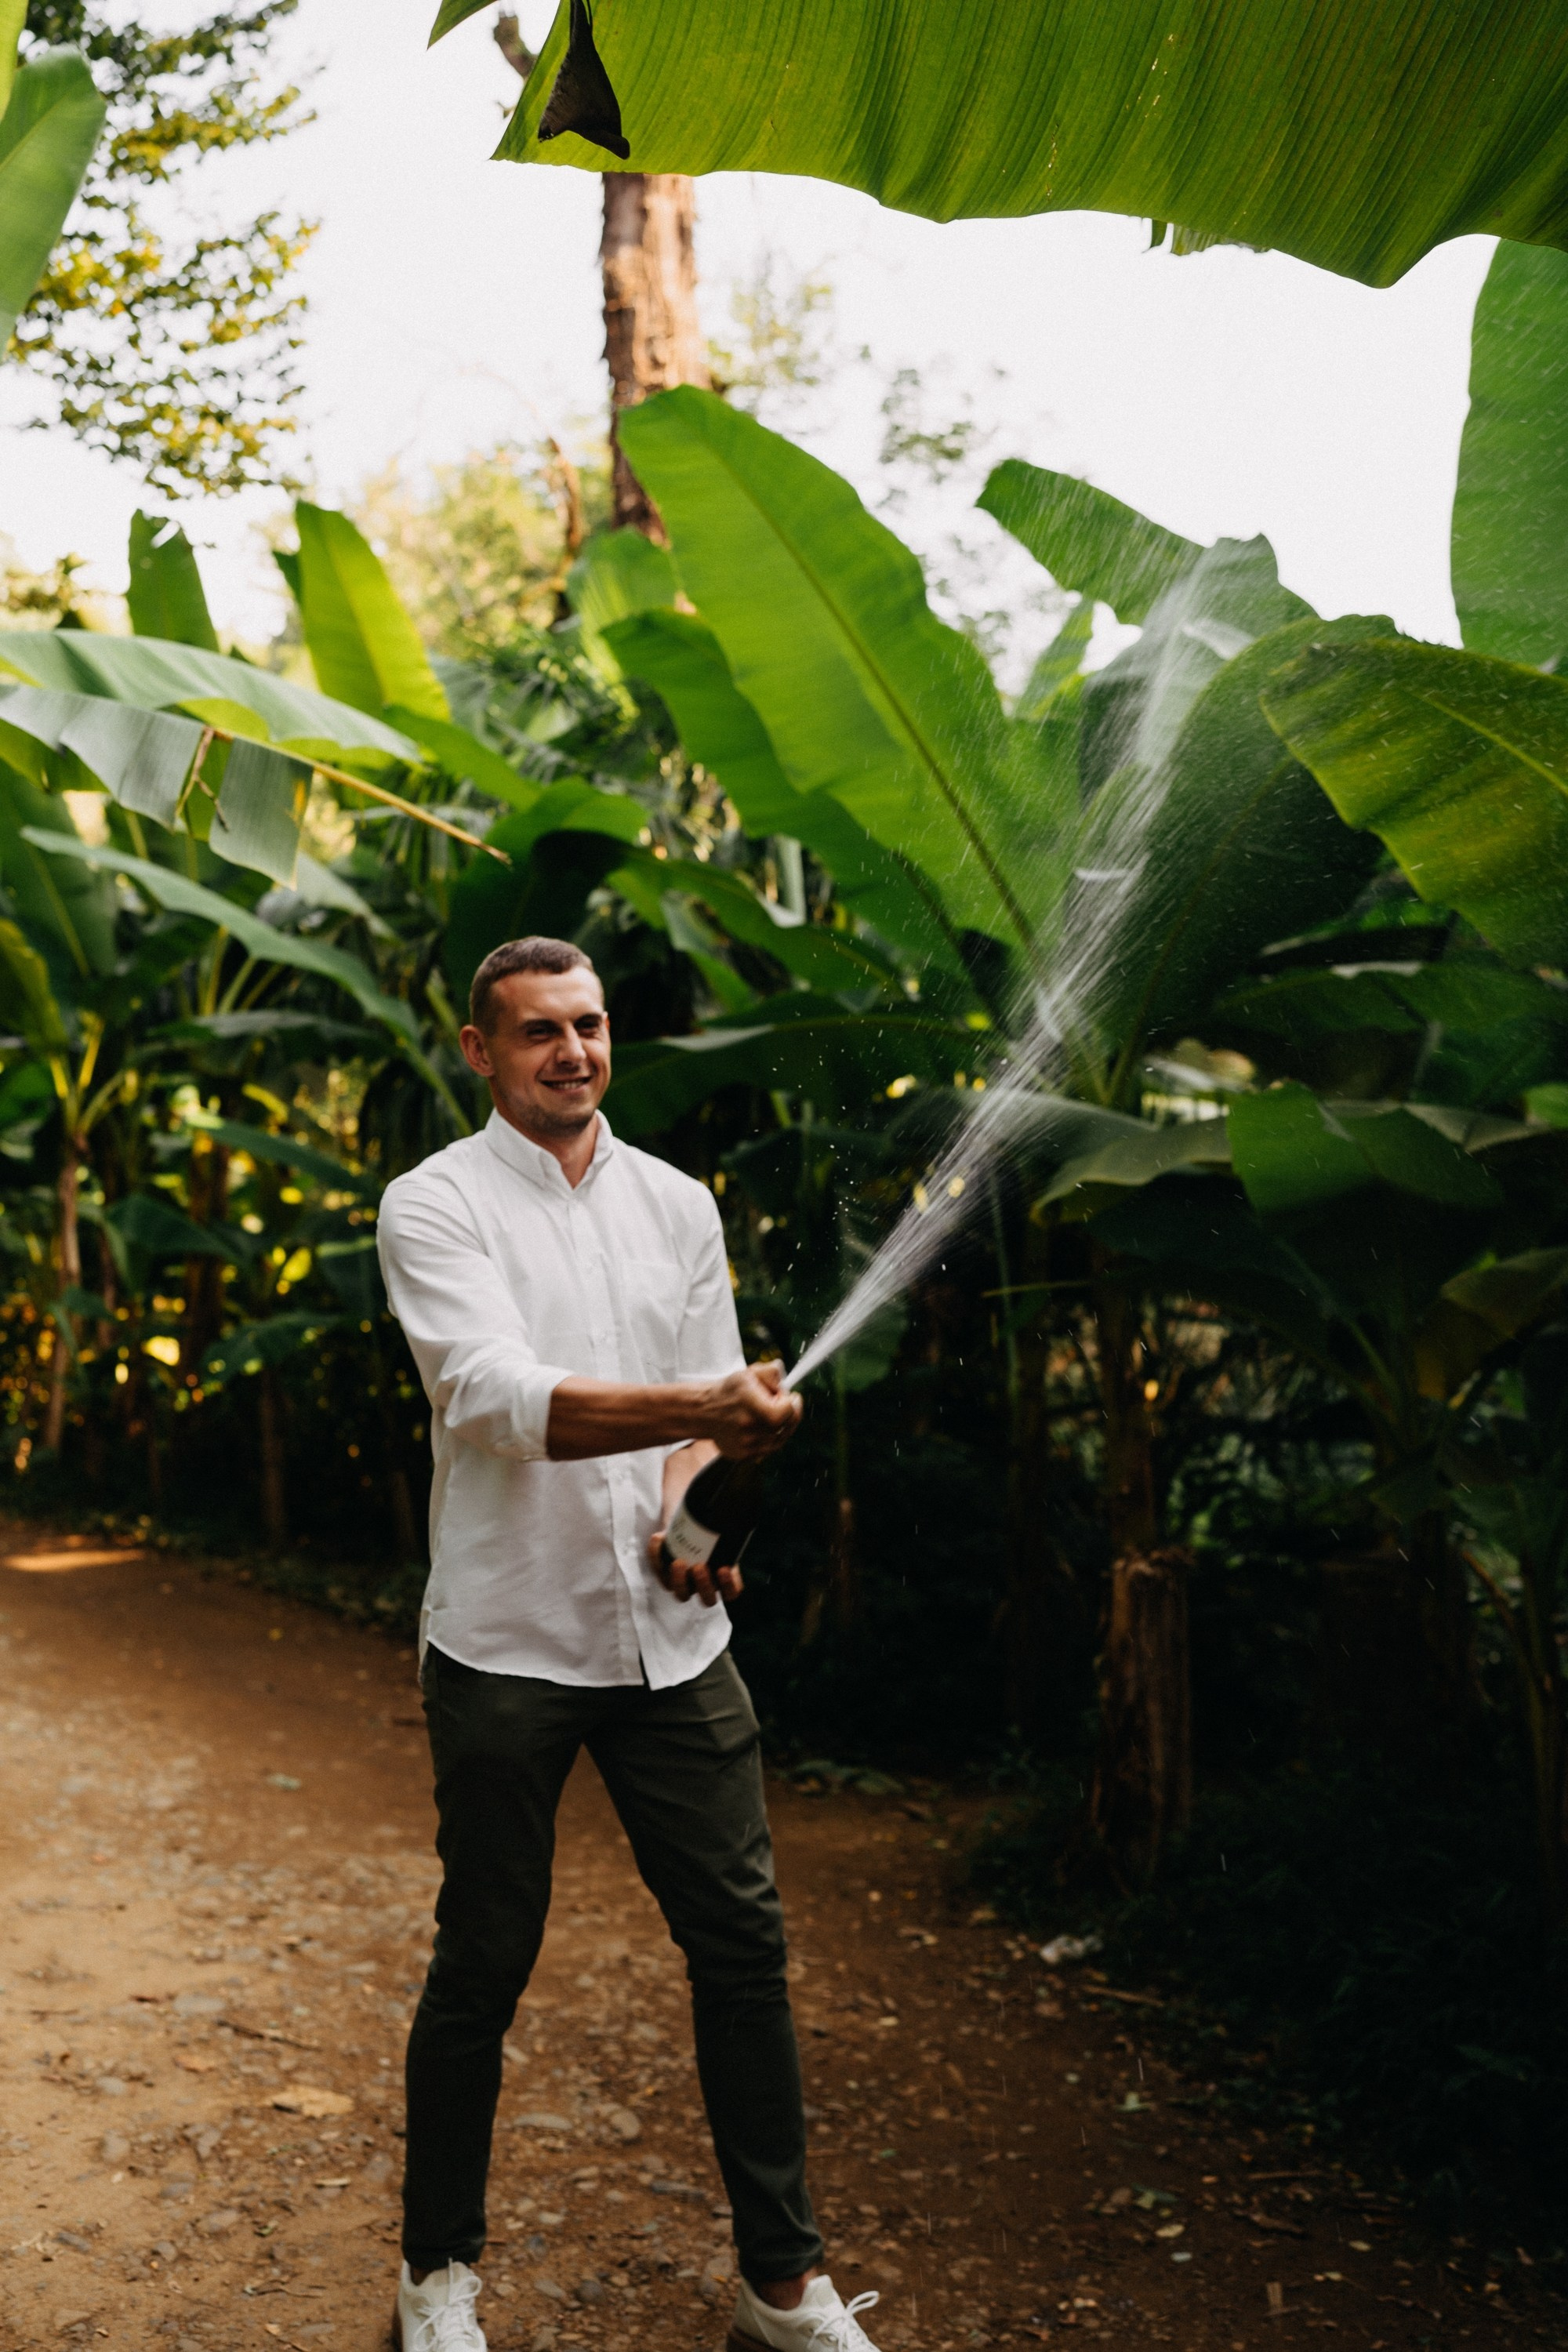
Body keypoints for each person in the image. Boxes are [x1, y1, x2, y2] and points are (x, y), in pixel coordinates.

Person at [376, 937, 888, 2352]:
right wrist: (705, 1404)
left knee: (743, 1948)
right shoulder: (434, 1206)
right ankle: (436, 2280)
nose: (574, 1052)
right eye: (538, 1032)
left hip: (671, 1649)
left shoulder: (676, 1204)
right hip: (505, 1640)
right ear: (482, 1052)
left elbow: (686, 1443)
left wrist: (697, 1525)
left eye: (591, 1026)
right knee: (483, 1957)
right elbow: (494, 1399)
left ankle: (782, 2289)